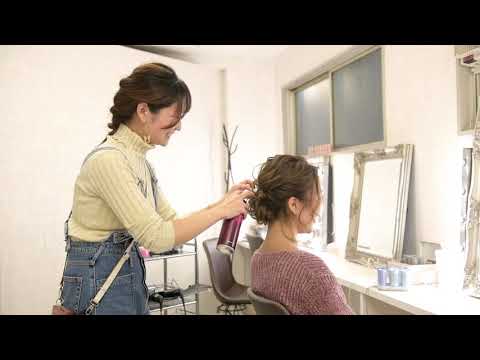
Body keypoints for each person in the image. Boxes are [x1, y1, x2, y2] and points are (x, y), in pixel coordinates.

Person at [58, 62, 253, 315]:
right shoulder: (109, 160)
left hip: (126, 277)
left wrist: (222, 204)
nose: (179, 126)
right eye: (175, 117)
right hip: (100, 281)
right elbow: (157, 238)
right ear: (143, 111)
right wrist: (220, 211)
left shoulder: (140, 163)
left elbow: (171, 221)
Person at [248, 155, 353, 315]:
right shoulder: (311, 272)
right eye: (317, 195)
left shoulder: (258, 259)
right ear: (294, 205)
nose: (319, 205)